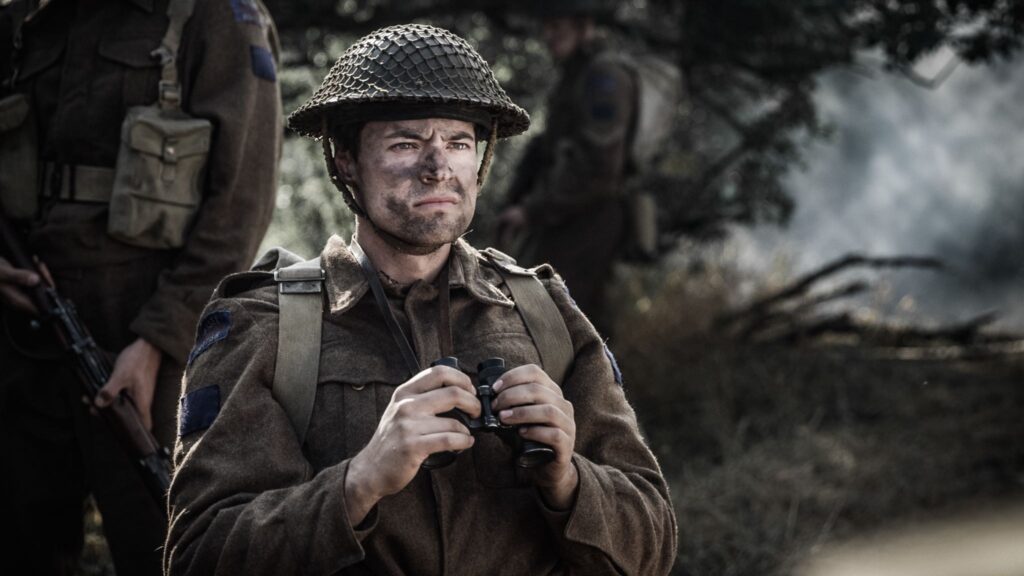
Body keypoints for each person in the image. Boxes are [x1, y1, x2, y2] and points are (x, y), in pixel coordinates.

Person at [164, 23, 677, 575]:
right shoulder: (265, 327)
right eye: (406, 143)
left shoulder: (544, 312)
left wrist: (570, 481)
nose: (438, 168)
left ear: (479, 164)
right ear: (345, 162)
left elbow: (653, 545)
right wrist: (358, 482)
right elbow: (199, 555)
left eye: (458, 144)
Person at [0, 0, 281, 574]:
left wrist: (160, 341)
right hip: (22, 326)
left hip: (147, 335)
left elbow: (239, 204)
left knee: (158, 541)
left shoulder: (218, 16)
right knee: (21, 538)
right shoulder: (27, 20)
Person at [497, 3, 636, 336]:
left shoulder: (605, 77)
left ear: (583, 24)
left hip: (589, 215)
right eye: (546, 26)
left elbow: (598, 165)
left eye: (557, 25)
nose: (549, 35)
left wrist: (531, 209)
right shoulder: (576, 74)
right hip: (564, 214)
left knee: (566, 326)